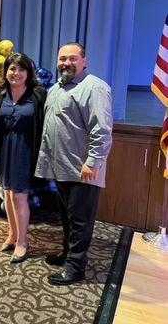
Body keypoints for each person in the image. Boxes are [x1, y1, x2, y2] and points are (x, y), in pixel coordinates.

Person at [35, 42, 112, 285]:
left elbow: (102, 129)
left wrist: (92, 162)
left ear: (84, 61)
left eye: (72, 58)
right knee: (68, 217)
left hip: (83, 170)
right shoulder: (56, 89)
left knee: (81, 220)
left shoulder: (95, 88)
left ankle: (75, 266)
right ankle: (68, 253)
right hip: (61, 168)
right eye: (62, 59)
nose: (66, 63)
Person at [0, 53, 46, 263]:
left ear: (28, 73)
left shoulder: (38, 95)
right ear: (6, 71)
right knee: (9, 193)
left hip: (25, 151)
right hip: (3, 149)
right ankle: (12, 234)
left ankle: (23, 241)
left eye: (21, 69)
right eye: (12, 69)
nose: (16, 73)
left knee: (20, 196)